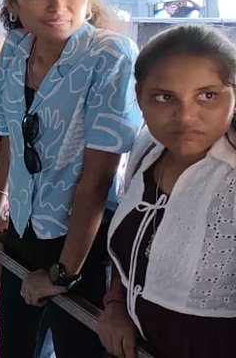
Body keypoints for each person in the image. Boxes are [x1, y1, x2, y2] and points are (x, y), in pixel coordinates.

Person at [0, 0, 143, 358]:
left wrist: (64, 273)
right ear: (14, 1)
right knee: (16, 348)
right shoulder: (14, 51)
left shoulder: (110, 56)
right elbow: (9, 140)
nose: (58, 6)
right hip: (23, 228)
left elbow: (97, 180)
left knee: (76, 347)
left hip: (84, 239)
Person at [98, 25, 236, 358]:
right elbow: (135, 248)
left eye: (208, 95)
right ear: (140, 95)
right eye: (164, 97)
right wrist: (116, 302)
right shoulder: (148, 150)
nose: (185, 116)